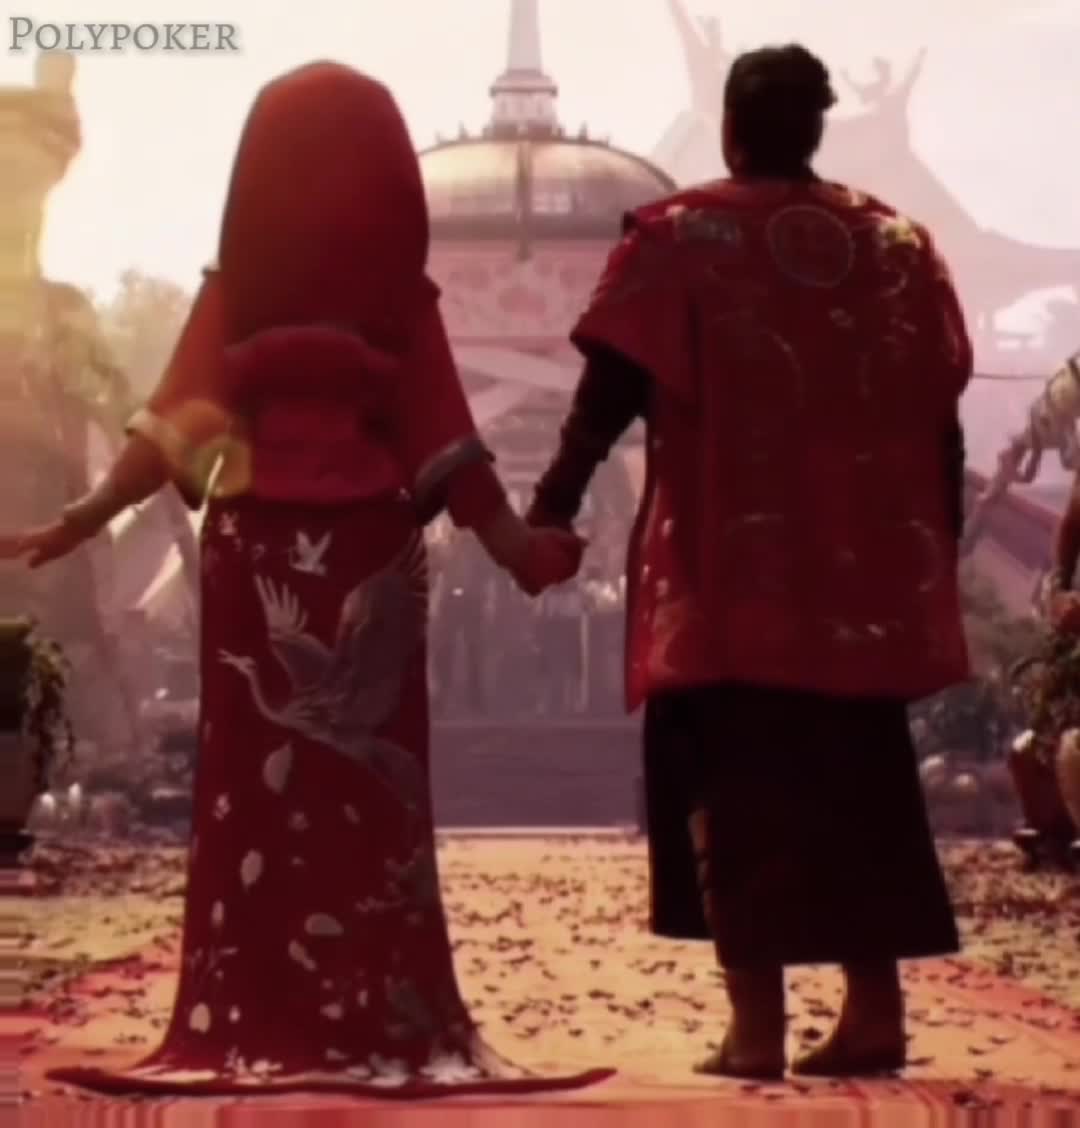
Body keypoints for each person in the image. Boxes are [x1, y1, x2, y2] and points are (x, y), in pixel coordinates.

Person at [0, 62, 612, 1098]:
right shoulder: (399, 303)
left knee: (258, 785)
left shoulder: (237, 295)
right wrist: (524, 554)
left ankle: (259, 1000)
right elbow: (450, 447)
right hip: (371, 550)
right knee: (368, 785)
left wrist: (83, 519)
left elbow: (170, 430)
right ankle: (374, 1005)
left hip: (253, 554)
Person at [526, 44, 970, 1081]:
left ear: (730, 131)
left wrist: (550, 508)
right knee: (863, 793)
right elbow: (937, 411)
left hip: (728, 586)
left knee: (730, 797)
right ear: (816, 130)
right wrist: (937, 545)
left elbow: (606, 397)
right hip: (861, 589)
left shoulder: (679, 238)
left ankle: (757, 1027)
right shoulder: (897, 247)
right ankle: (875, 1013)